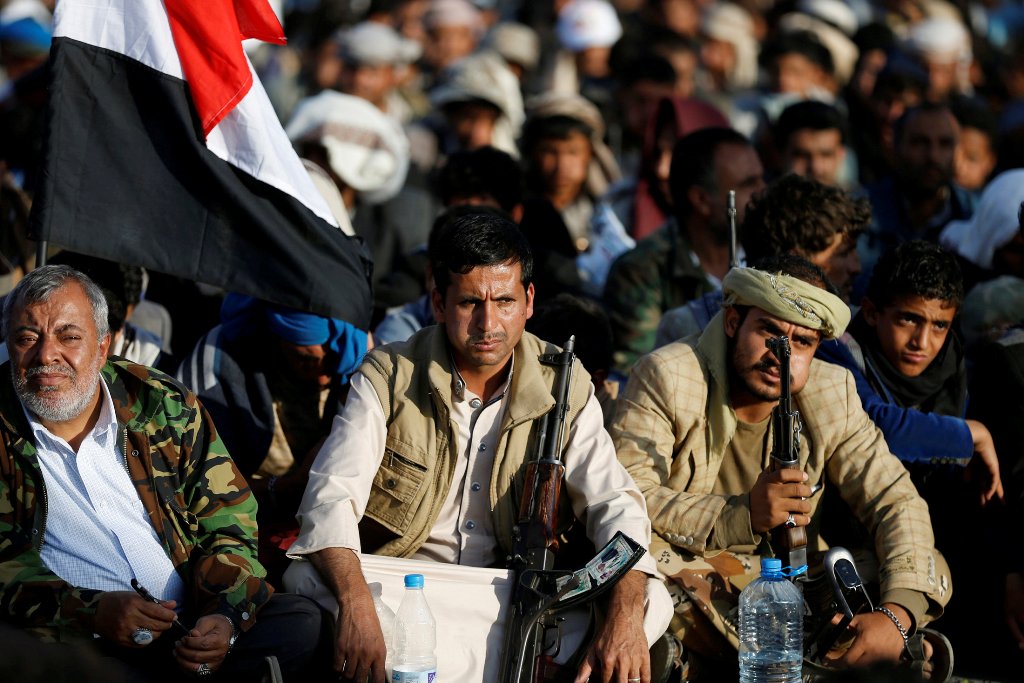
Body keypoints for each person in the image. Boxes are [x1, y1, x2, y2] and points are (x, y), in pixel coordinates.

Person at [286, 213, 673, 683]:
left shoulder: (565, 386)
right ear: (438, 304)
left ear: (529, 301)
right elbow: (330, 498)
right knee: (308, 580)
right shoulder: (387, 375)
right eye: (470, 302)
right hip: (400, 585)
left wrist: (626, 617)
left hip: (511, 595)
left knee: (650, 600)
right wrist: (357, 603)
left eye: (504, 301)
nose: (488, 323)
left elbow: (617, 509)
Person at [612, 259, 952, 677]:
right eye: (771, 332)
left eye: (803, 342)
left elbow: (895, 500)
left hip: (794, 583)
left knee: (915, 565)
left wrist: (895, 617)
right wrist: (742, 514)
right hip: (694, 569)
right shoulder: (668, 375)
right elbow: (627, 497)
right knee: (645, 573)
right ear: (733, 321)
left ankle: (847, 650)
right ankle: (837, 662)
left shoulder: (833, 390)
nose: (782, 356)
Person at [0, 265, 330, 680]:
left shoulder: (159, 402)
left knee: (301, 622)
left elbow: (228, 518)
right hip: (76, 642)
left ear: (103, 348)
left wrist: (223, 616)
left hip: (188, 622)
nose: (46, 355)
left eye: (69, 336)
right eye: (27, 338)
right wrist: (92, 613)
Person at [845, 240, 1005, 671]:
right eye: (909, 320)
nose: (923, 341)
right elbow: (879, 426)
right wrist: (968, 435)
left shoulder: (957, 370)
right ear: (873, 312)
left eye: (939, 325)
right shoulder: (841, 353)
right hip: (858, 536)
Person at [176, 295, 369, 584]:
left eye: (331, 364)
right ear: (274, 335)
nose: (322, 380)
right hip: (237, 535)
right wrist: (284, 489)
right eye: (304, 360)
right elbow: (192, 491)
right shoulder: (219, 366)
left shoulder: (357, 362)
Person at [604, 127, 764, 373]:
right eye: (748, 184)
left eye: (761, 179)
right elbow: (637, 374)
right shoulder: (642, 270)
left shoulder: (768, 255)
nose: (762, 193)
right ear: (701, 200)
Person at [857, 102, 974, 300]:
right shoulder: (858, 213)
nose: (933, 156)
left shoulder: (975, 217)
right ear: (894, 147)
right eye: (920, 143)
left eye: (945, 144)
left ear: (959, 153)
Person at [773, 100, 850, 188]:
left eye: (826, 155)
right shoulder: (758, 198)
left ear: (841, 154)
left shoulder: (862, 198)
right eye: (802, 155)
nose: (816, 168)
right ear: (778, 155)